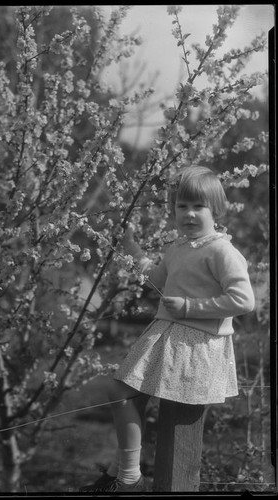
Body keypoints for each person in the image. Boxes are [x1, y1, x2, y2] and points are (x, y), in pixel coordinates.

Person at [79, 166, 255, 493]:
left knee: (141, 400)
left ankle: (127, 475)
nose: (188, 214)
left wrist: (190, 307)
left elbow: (243, 300)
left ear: (216, 210)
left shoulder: (221, 251)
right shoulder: (178, 248)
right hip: (167, 335)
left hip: (194, 344)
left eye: (198, 206)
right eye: (181, 206)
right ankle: (125, 472)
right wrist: (128, 244)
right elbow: (154, 279)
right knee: (123, 392)